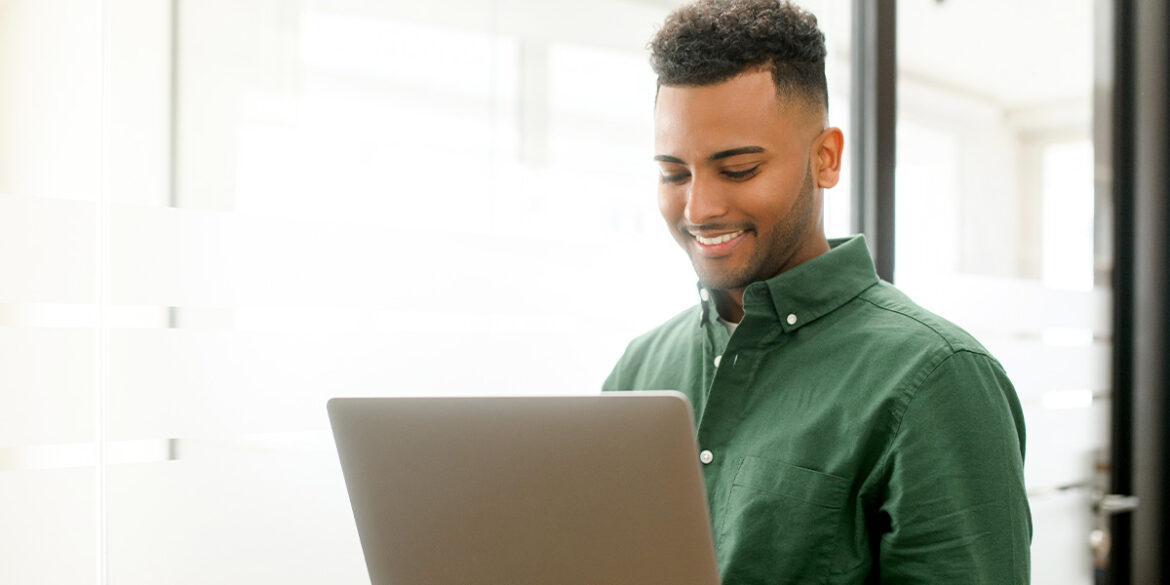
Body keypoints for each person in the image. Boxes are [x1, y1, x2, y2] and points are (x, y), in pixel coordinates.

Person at [601, 0, 1032, 583]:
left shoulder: (937, 378)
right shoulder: (639, 369)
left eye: (739, 169)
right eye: (674, 173)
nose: (698, 208)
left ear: (825, 158)